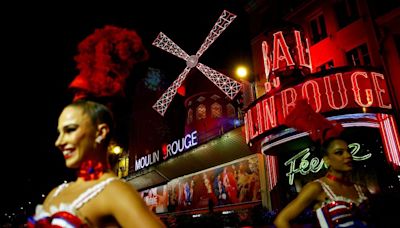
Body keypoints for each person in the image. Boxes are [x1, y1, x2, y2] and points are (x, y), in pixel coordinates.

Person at [27, 100, 165, 227]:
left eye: (70, 130)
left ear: (101, 132)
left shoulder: (115, 191)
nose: (59, 142)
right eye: (59, 133)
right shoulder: (55, 193)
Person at [273, 136, 371, 228]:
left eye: (348, 151)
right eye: (339, 152)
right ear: (327, 160)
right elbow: (281, 220)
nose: (348, 155)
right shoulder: (317, 187)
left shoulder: (360, 189)